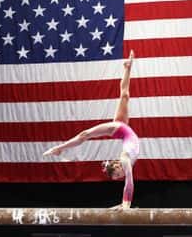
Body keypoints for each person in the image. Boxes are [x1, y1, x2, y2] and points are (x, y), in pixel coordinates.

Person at [43, 50, 139, 209]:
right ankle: (127, 68)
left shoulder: (124, 160)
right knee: (124, 96)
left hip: (118, 129)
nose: (120, 176)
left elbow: (129, 182)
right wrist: (124, 205)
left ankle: (60, 148)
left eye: (117, 175)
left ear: (117, 166)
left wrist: (125, 205)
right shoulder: (125, 161)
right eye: (118, 177)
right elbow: (128, 181)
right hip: (123, 131)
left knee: (85, 134)